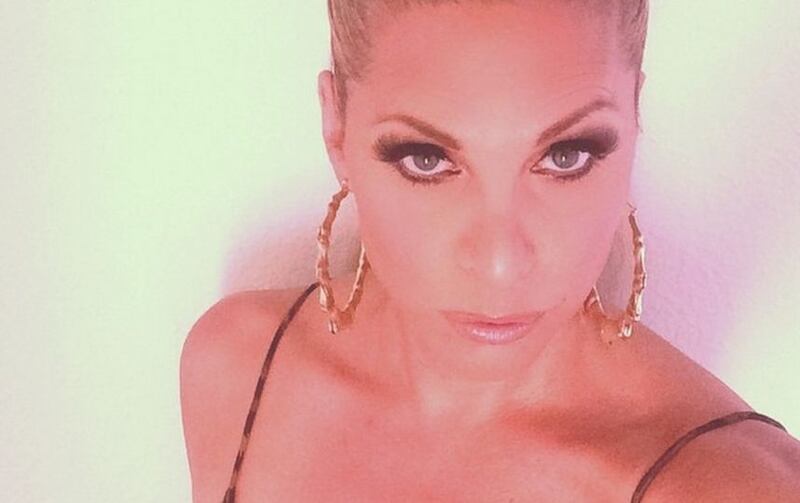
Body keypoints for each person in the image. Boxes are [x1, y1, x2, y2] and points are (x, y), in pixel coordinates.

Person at [180, 1, 800, 501]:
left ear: (634, 119)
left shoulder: (731, 487)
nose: (501, 266)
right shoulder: (239, 367)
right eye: (426, 160)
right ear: (336, 129)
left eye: (566, 156)